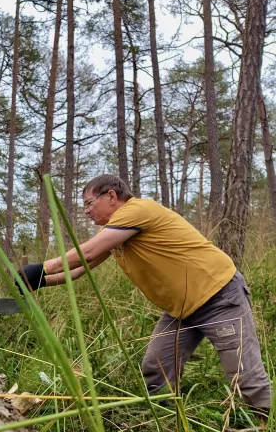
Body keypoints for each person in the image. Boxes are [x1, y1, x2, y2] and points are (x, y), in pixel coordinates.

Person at [18, 174, 273, 415]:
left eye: (89, 203)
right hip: (181, 308)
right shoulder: (114, 231)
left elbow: (86, 253)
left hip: (218, 296)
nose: (86, 210)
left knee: (243, 372)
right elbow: (77, 271)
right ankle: (166, 421)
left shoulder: (139, 210)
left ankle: (264, 430)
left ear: (111, 196)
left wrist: (39, 268)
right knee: (157, 366)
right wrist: (36, 280)